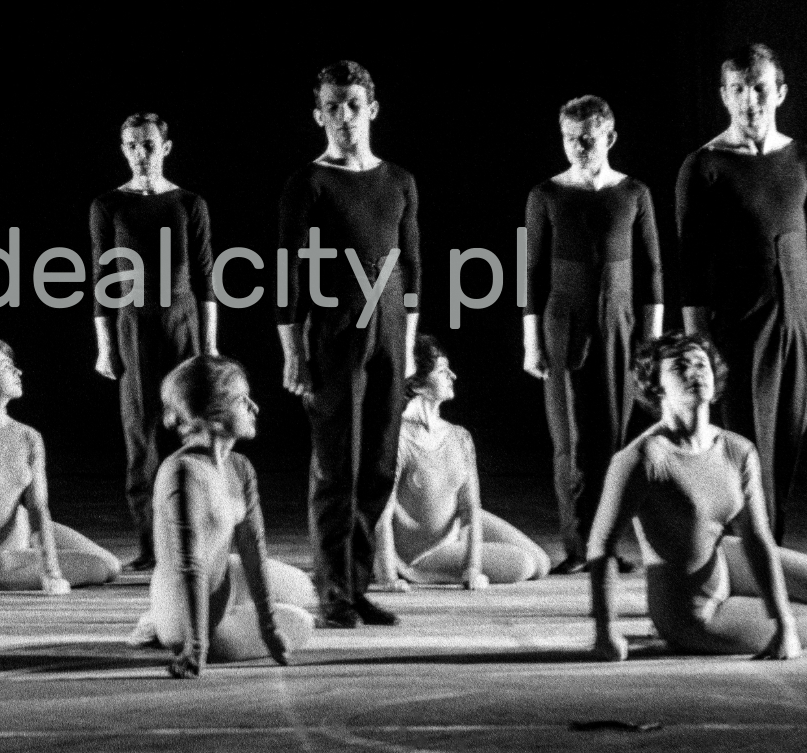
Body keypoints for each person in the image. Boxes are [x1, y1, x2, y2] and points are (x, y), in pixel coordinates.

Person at [587, 332, 807, 661]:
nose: (695, 372)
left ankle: (754, 609)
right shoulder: (642, 458)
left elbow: (757, 538)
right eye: (680, 367)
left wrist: (783, 622)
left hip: (723, 566)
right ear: (656, 386)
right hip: (693, 612)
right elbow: (602, 547)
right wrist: (606, 631)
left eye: (702, 364)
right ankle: (675, 632)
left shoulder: (737, 449)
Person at [675, 44, 807, 541]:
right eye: (739, 90)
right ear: (725, 96)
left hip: (801, 323)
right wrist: (700, 351)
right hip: (739, 329)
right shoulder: (704, 166)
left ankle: (771, 555)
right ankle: (740, 558)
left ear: (781, 92)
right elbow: (691, 272)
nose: (751, 100)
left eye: (760, 88)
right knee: (746, 449)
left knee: (785, 449)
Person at [278, 61, 421, 629]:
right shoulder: (309, 182)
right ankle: (334, 590)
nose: (344, 116)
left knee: (379, 465)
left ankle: (357, 585)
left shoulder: (399, 181)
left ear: (372, 109)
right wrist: (292, 349)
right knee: (338, 466)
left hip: (387, 328)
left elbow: (411, 267)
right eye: (333, 107)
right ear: (319, 115)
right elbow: (287, 274)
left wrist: (407, 347)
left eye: (353, 105)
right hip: (334, 328)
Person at [522, 95, 664, 572]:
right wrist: (530, 341)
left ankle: (607, 545)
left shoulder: (634, 193)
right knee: (571, 439)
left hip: (622, 325)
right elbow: (532, 273)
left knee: (617, 438)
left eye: (588, 138)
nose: (579, 147)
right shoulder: (546, 194)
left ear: (609, 137)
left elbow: (653, 274)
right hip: (564, 322)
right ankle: (577, 547)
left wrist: (653, 344)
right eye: (570, 138)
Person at [133, 355, 316, 677]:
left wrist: (268, 625)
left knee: (301, 586)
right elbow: (190, 565)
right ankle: (164, 624)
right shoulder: (182, 472)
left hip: (220, 577)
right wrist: (196, 646)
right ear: (214, 415)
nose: (254, 407)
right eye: (241, 401)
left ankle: (183, 619)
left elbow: (252, 548)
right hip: (185, 609)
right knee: (301, 623)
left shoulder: (240, 467)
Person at [90, 112, 217, 572]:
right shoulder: (109, 206)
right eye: (130, 145)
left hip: (182, 323)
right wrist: (104, 345)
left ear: (165, 147)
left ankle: (195, 537)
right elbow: (101, 277)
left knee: (187, 430)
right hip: (132, 325)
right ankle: (151, 543)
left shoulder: (188, 203)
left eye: (147, 144)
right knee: (141, 435)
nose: (139, 153)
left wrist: (210, 347)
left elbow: (206, 280)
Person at [0, 339, 121, 594]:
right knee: (100, 569)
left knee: (111, 566)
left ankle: (35, 560)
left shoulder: (28, 436)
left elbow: (38, 507)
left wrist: (51, 572)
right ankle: (11, 568)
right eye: (8, 366)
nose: (18, 372)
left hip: (26, 534)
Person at [372, 335, 551, 588]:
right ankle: (422, 569)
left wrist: (473, 568)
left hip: (452, 529)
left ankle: (461, 553)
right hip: (421, 553)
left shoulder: (459, 436)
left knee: (541, 563)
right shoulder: (397, 440)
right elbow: (382, 514)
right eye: (443, 371)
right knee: (524, 564)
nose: (453, 376)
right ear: (417, 384)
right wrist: (389, 577)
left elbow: (470, 508)